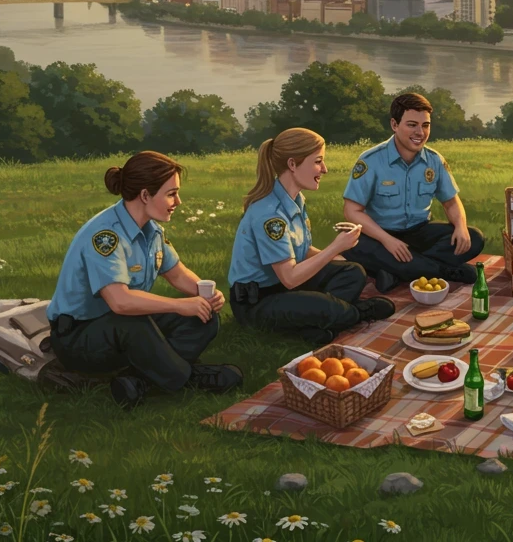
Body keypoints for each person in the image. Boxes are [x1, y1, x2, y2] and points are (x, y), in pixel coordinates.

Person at [47, 151, 242, 409]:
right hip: (80, 337)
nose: (178, 201)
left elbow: (176, 273)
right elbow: (120, 302)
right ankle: (189, 377)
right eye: (171, 193)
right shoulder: (106, 236)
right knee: (135, 324)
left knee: (203, 317)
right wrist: (178, 305)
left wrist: (204, 293)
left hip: (122, 325)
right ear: (145, 195)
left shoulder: (151, 230)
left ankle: (138, 381)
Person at [229, 128, 396, 346]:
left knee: (353, 272)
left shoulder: (296, 200)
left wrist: (343, 259)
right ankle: (355, 313)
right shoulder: (270, 215)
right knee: (327, 306)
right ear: (292, 164)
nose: (324, 169)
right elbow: (289, 278)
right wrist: (335, 248)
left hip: (284, 287)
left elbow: (302, 250)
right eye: (318, 162)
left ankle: (313, 326)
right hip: (258, 301)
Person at [341, 93, 485, 292]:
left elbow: (451, 201)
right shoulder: (371, 160)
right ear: (394, 124)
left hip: (420, 233)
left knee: (474, 237)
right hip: (381, 235)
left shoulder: (435, 160)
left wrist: (460, 227)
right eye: (412, 125)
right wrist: (387, 240)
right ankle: (445, 271)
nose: (420, 132)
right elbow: (351, 211)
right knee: (354, 246)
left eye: (425, 125)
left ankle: (395, 271)